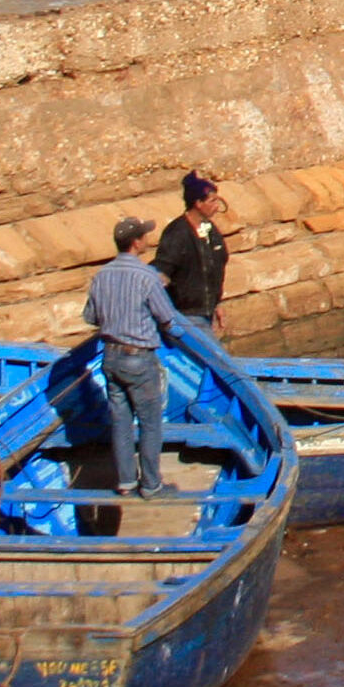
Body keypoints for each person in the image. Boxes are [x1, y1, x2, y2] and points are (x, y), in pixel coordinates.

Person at [85, 215, 194, 498]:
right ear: (136, 243)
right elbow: (167, 318)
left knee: (120, 422)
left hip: (110, 357)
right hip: (138, 358)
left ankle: (125, 482)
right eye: (144, 235)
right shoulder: (146, 276)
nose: (148, 239)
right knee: (149, 422)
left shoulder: (102, 275)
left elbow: (90, 317)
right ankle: (151, 485)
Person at [153, 171, 231, 326]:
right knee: (212, 351)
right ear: (198, 203)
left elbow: (217, 267)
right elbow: (160, 273)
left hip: (206, 312)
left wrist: (217, 304)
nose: (217, 206)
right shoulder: (177, 233)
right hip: (185, 316)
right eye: (212, 201)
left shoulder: (210, 230)